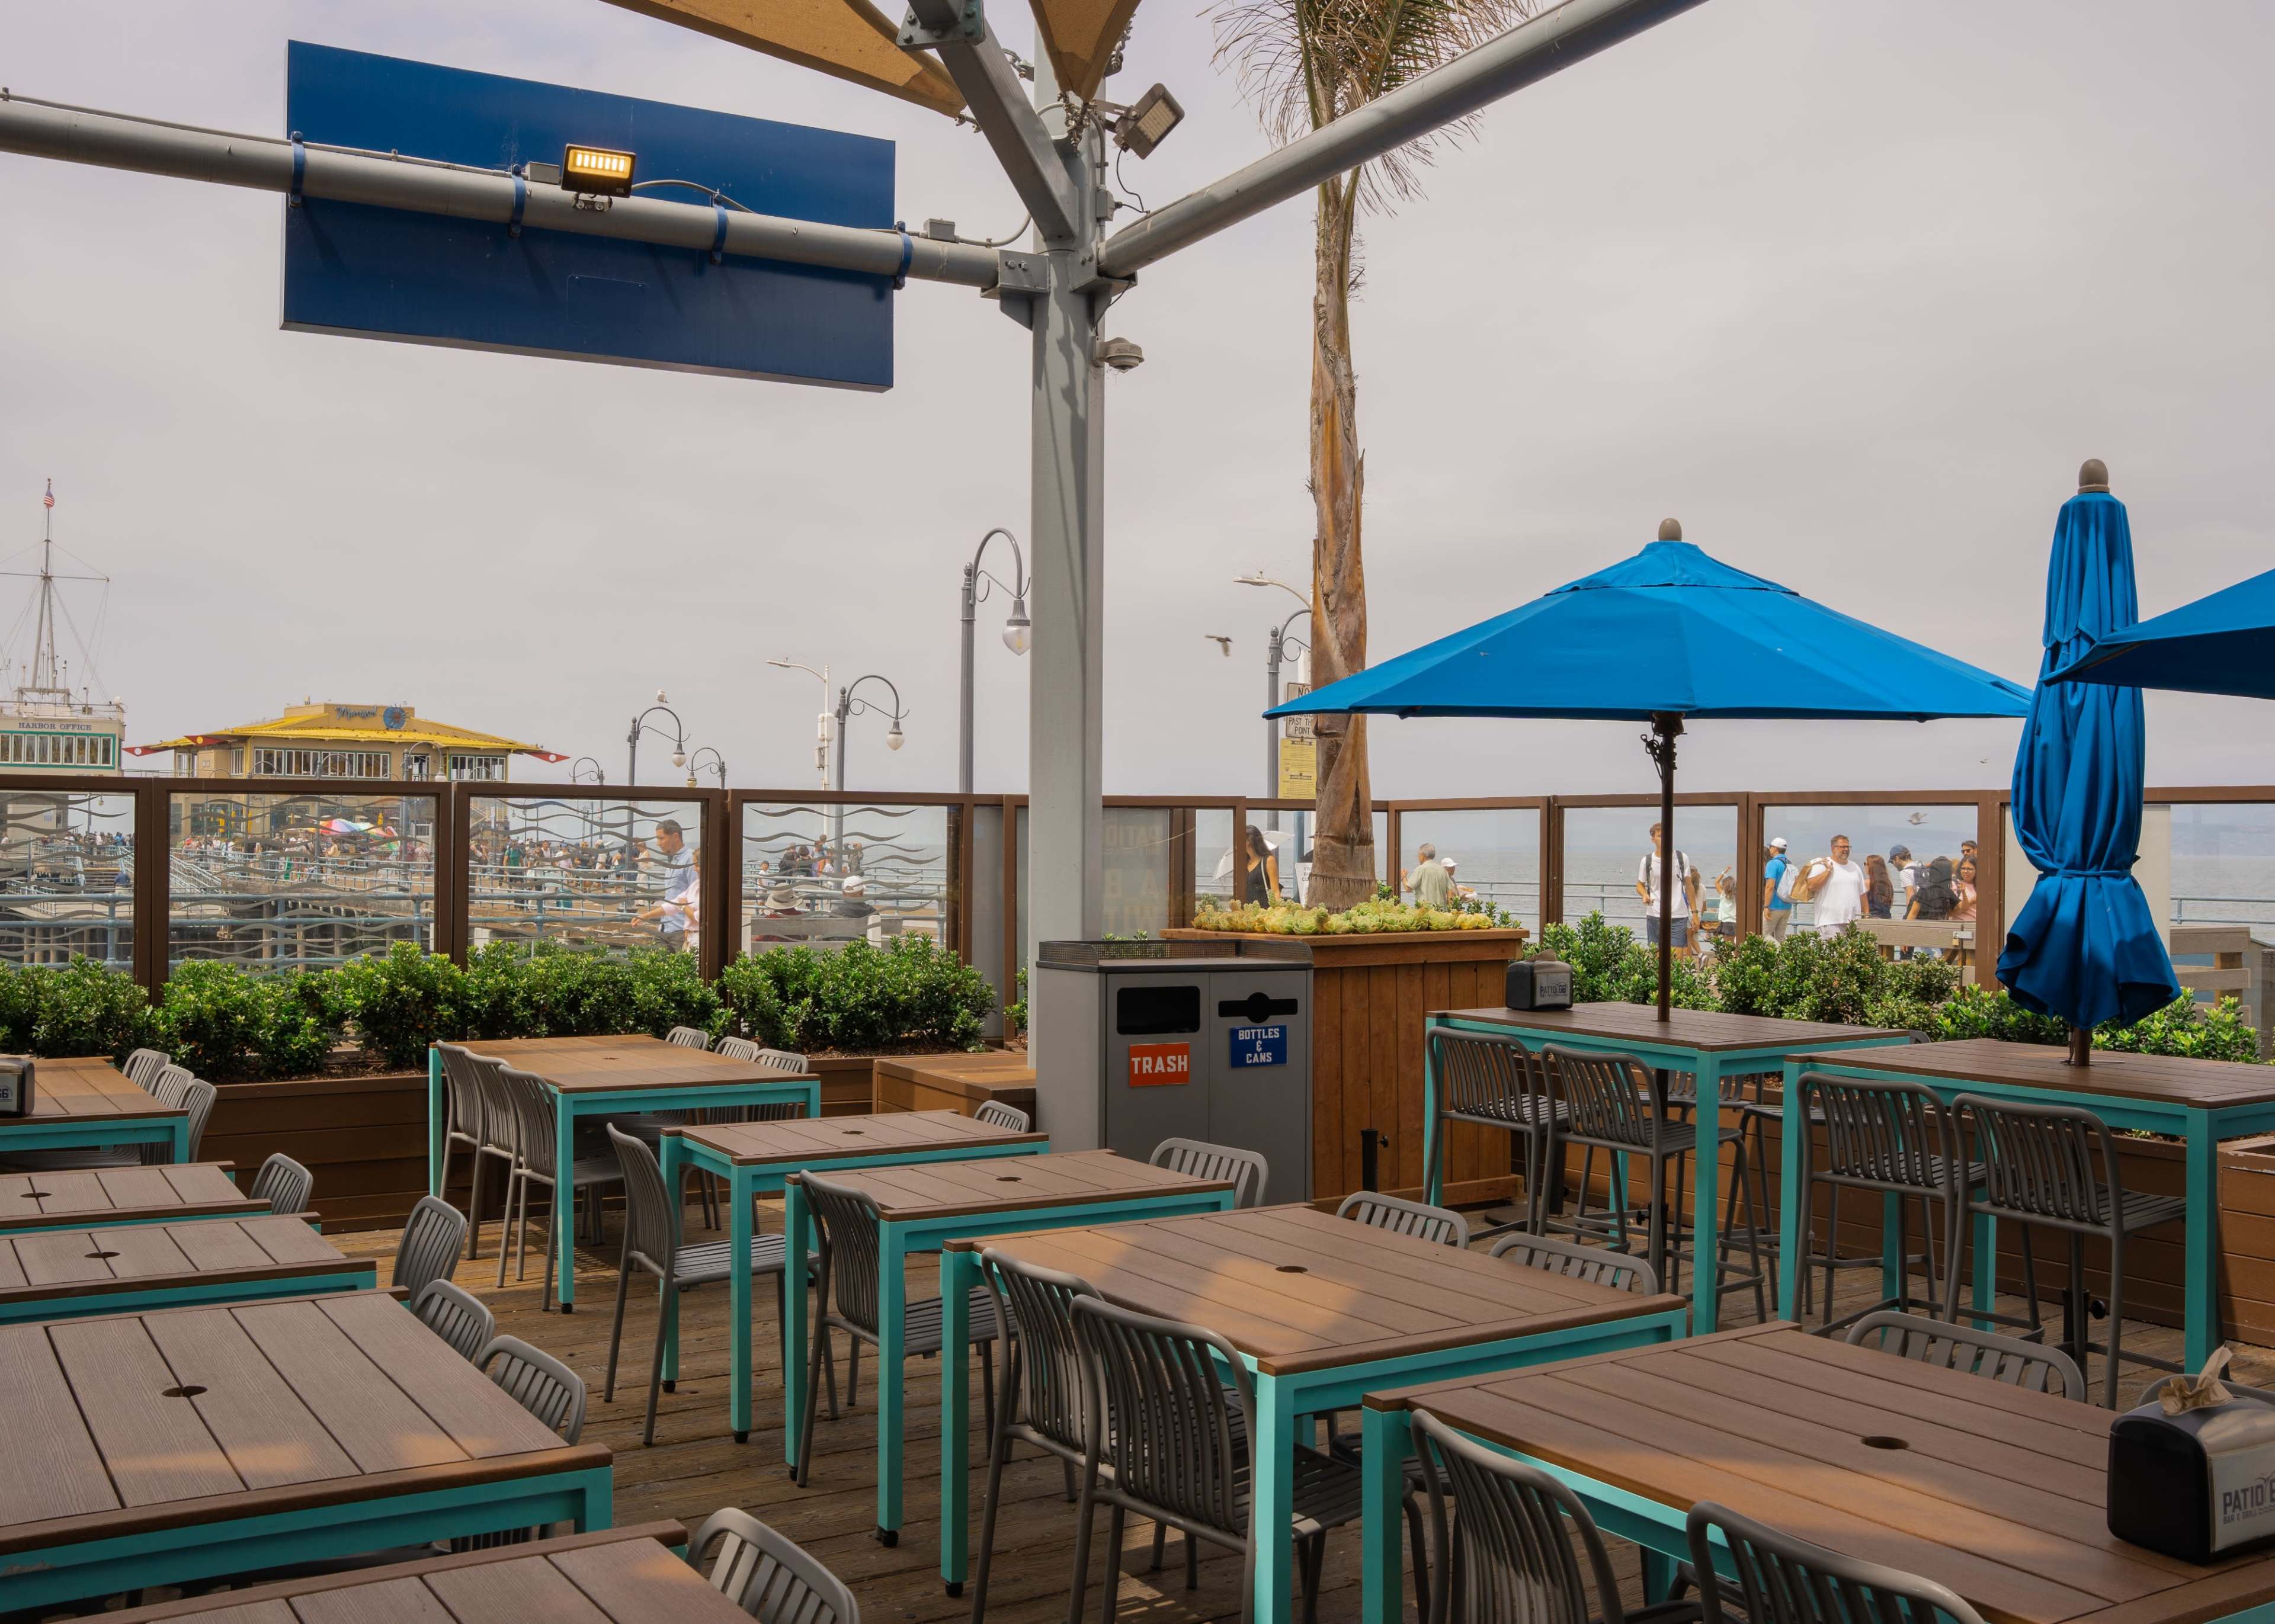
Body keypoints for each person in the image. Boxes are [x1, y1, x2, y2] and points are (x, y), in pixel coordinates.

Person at [630, 818, 698, 951]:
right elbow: (673, 900)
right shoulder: (672, 859)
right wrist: (646, 916)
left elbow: (696, 896)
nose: (658, 843)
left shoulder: (690, 860)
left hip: (680, 932)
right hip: (665, 928)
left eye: (661, 838)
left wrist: (690, 929)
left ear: (676, 837)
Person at [1635, 823, 1695, 957]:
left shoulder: (1682, 858)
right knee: (1658, 958)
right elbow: (1640, 884)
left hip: (1678, 914)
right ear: (1653, 839)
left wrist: (1695, 913)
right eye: (1660, 836)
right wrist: (1644, 894)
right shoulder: (1647, 861)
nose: (1665, 839)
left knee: (1677, 958)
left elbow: (1689, 886)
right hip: (1655, 914)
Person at [1806, 835, 1868, 933]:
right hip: (1829, 922)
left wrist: (1866, 917)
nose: (1846, 849)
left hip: (1853, 923)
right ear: (1833, 848)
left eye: (1848, 847)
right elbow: (1811, 886)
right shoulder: (1822, 865)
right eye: (1842, 847)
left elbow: (1862, 894)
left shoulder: (1855, 867)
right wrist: (1828, 871)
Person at [1761, 837, 1795, 941]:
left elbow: (1770, 886)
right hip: (1787, 905)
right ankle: (1785, 957)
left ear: (1775, 849)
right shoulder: (1788, 863)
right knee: (1780, 937)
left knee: (1765, 935)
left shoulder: (1773, 864)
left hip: (1774, 906)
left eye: (1771, 847)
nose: (1770, 849)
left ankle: (1779, 952)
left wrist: (1766, 906)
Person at [1908, 856, 1957, 922]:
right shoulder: (1926, 890)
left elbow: (1913, 914)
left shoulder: (1925, 890)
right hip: (1927, 928)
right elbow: (1913, 913)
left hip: (1931, 927)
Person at [1404, 842, 1453, 907]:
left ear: (1423, 855)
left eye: (1419, 855)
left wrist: (1403, 876)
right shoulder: (1443, 870)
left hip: (1425, 911)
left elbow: (1408, 888)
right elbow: (1451, 891)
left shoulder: (1420, 869)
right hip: (1441, 912)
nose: (1418, 857)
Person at [1242, 824, 1282, 906]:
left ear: (1249, 841)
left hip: (1264, 912)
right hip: (1247, 913)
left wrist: (1278, 911)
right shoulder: (1243, 862)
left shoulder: (1268, 860)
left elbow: (1275, 890)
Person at [1889, 845, 1920, 914]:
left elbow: (1910, 897)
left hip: (1917, 911)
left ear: (1897, 858)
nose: (1893, 865)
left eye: (1892, 861)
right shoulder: (1921, 866)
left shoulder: (1905, 872)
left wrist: (1909, 918)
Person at [1864, 853, 1895, 919]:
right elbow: (1891, 903)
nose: (1865, 866)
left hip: (1872, 918)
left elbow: (1862, 904)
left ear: (1870, 867)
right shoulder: (1888, 884)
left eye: (1865, 864)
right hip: (1887, 918)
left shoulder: (1866, 883)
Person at [1951, 856, 1980, 923]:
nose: (1966, 871)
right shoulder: (1956, 885)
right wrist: (1972, 901)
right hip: (1961, 928)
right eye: (1963, 868)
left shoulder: (1980, 887)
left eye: (1970, 869)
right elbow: (1952, 912)